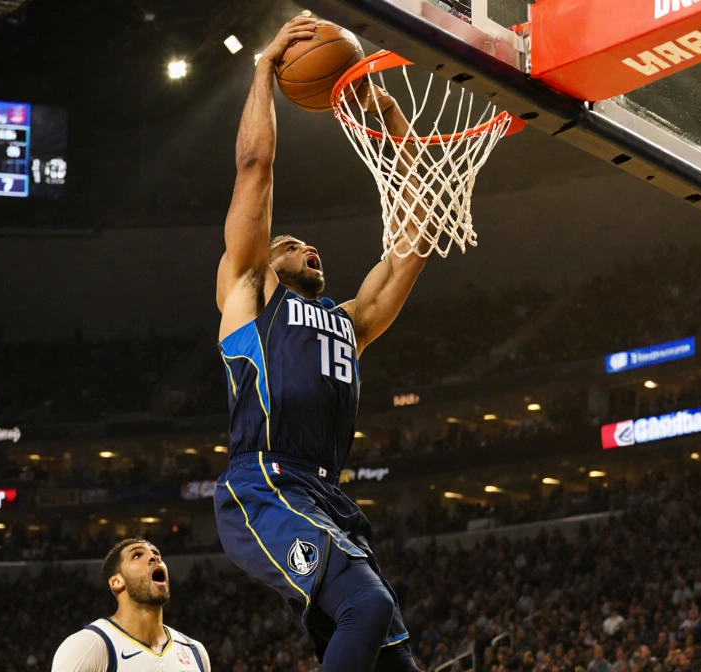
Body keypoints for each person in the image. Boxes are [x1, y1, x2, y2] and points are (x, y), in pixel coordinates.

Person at [212, 14, 432, 672]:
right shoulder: (251, 298)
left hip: (328, 498)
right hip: (267, 484)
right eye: (291, 244)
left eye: (311, 245)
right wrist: (263, 70)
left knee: (395, 656)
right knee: (366, 608)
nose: (309, 247)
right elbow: (254, 167)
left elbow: (416, 235)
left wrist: (391, 122)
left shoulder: (351, 318)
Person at [51, 538, 210, 671]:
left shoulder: (194, 651)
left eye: (156, 554)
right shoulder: (89, 646)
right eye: (137, 555)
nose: (154, 558)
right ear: (116, 582)